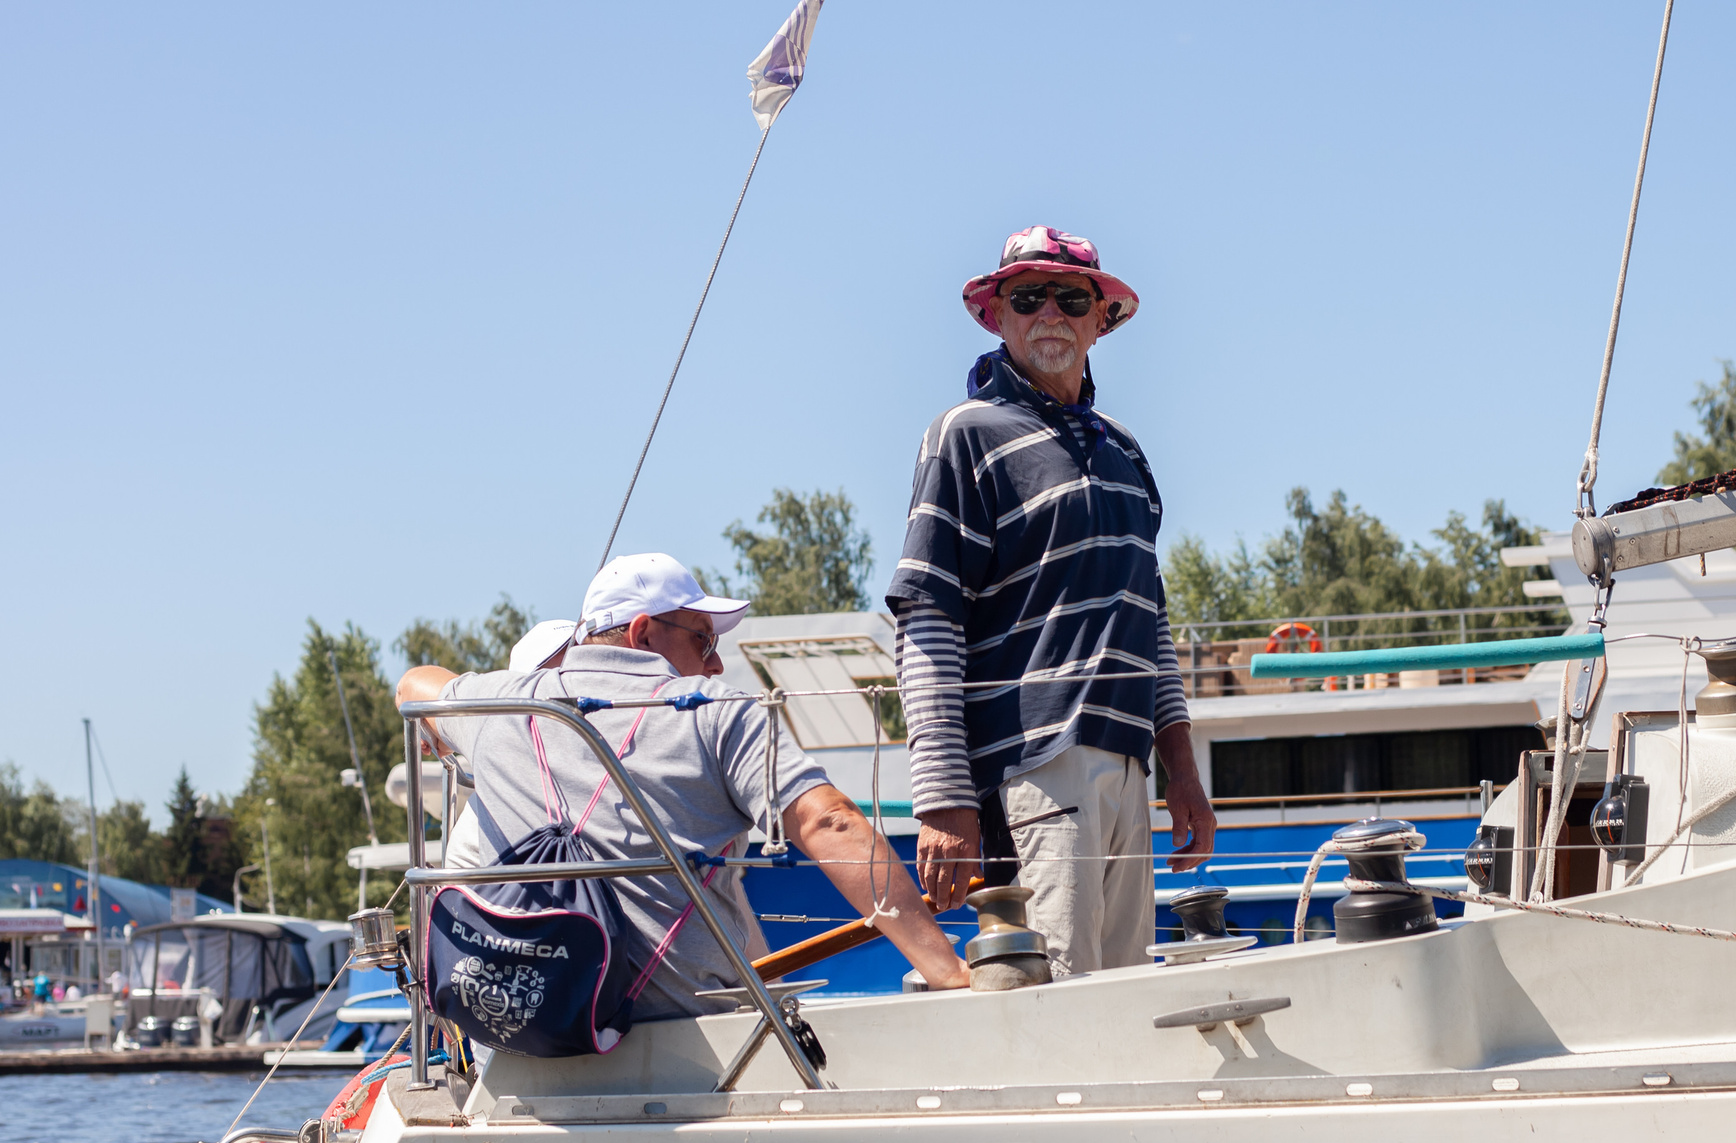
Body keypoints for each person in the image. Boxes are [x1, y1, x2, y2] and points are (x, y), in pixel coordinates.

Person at [397, 553, 969, 1019]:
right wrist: (947, 972)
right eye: (703, 640)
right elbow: (829, 822)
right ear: (644, 633)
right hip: (685, 1033)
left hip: (544, 1023)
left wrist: (441, 729)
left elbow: (413, 683)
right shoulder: (716, 713)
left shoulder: (504, 705)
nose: (715, 665)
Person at [887, 225, 1216, 979]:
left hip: (1127, 769)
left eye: (1071, 298)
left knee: (1125, 991)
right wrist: (941, 801)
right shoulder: (963, 434)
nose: (1050, 314)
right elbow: (929, 620)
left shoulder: (1125, 452)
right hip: (1034, 767)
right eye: (1026, 296)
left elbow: (1149, 623)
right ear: (996, 316)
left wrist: (1183, 775)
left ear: (1101, 320)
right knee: (1055, 996)